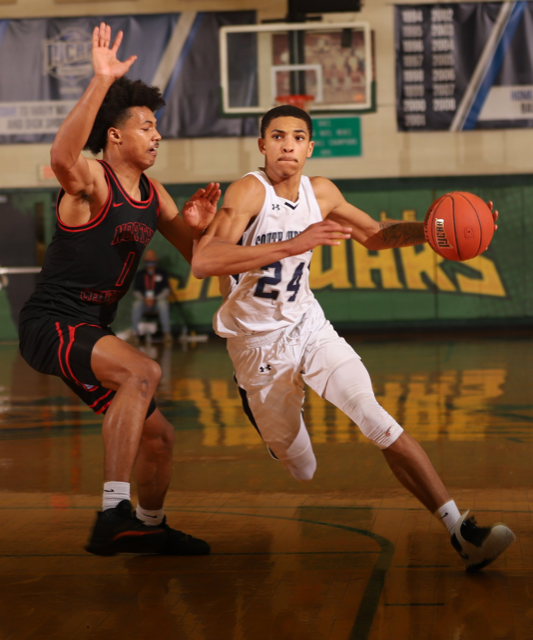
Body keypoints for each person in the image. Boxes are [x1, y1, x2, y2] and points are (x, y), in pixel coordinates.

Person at [191, 104, 515, 571]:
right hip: (256, 346)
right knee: (303, 468)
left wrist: (436, 230)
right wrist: (294, 244)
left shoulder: (320, 192)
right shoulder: (248, 192)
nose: (287, 144)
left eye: (298, 137)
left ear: (310, 147)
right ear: (262, 145)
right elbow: (203, 261)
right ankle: (262, 415)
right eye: (277, 136)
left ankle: (460, 530)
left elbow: (376, 235)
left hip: (308, 325)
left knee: (375, 416)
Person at [18, 23, 220, 556]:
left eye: (158, 128)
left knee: (160, 437)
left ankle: (148, 526)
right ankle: (112, 512)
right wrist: (101, 81)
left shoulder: (155, 195)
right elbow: (62, 159)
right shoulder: (92, 179)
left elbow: (199, 258)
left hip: (90, 330)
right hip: (52, 323)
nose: (157, 136)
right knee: (144, 371)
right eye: (148, 126)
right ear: (116, 135)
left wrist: (200, 226)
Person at [131, 249, 173, 346]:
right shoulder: (140, 274)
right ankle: (134, 334)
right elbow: (136, 291)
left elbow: (166, 290)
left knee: (163, 304)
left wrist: (155, 299)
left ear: (156, 259)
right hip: (144, 302)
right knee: (136, 304)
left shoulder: (162, 273)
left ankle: (167, 334)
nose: (149, 259)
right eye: (147, 258)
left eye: (152, 257)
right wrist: (144, 299)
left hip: (157, 301)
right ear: (144, 259)